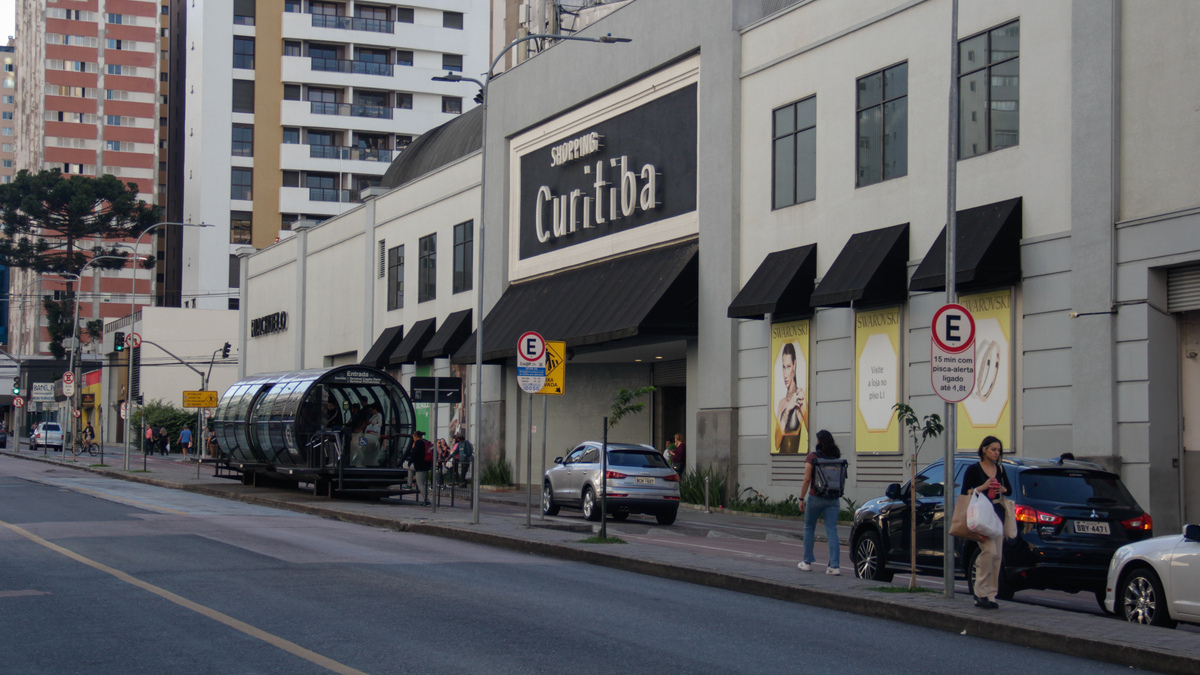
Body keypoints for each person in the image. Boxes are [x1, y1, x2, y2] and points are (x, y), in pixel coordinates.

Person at [961, 435, 1011, 609]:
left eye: (998, 450)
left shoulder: (1000, 469)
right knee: (989, 551)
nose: (996, 453)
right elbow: (966, 491)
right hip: (981, 515)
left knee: (997, 556)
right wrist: (984, 486)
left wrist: (1002, 488)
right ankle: (979, 592)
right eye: (993, 449)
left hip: (997, 514)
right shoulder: (974, 469)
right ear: (984, 449)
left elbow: (1009, 490)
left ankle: (991, 595)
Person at [796, 430, 842, 575]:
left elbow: (807, 479)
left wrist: (801, 498)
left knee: (809, 527)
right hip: (833, 498)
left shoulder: (813, 457)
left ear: (819, 442)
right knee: (832, 530)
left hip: (816, 497)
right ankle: (834, 566)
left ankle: (807, 562)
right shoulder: (836, 456)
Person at [774, 342, 808, 454]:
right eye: (783, 367)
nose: (785, 374)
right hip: (780, 463)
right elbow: (777, 444)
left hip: (795, 463)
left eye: (788, 367)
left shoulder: (800, 398)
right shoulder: (782, 403)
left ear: (794, 365)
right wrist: (787, 410)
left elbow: (813, 436)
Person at [407, 430, 433, 505]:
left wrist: (409, 463)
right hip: (425, 464)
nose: (413, 439)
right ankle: (409, 484)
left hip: (419, 465)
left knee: (420, 484)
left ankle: (426, 500)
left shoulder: (418, 443)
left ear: (416, 436)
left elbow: (414, 454)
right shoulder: (425, 442)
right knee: (420, 482)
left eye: (413, 437)